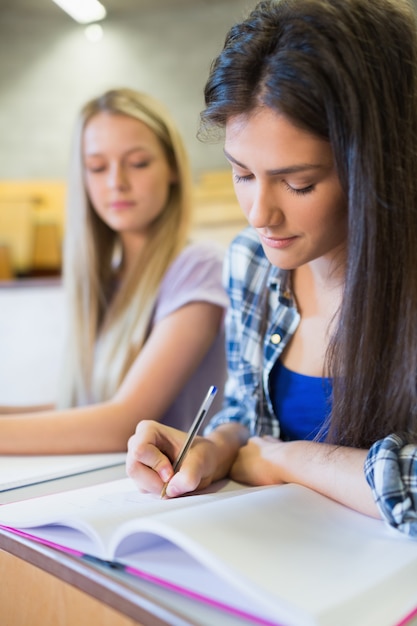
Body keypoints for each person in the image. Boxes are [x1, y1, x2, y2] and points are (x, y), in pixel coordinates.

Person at [126, 0, 417, 537]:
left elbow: (276, 453)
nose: (260, 214)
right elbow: (248, 412)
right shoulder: (252, 260)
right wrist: (212, 447)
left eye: (298, 182)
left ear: (379, 165)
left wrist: (291, 460)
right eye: (241, 174)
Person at [0, 87, 228, 453]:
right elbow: (84, 412)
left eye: (137, 163)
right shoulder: (105, 277)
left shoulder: (200, 269)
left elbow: (123, 423)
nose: (115, 182)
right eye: (97, 167)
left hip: (173, 494)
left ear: (172, 167)